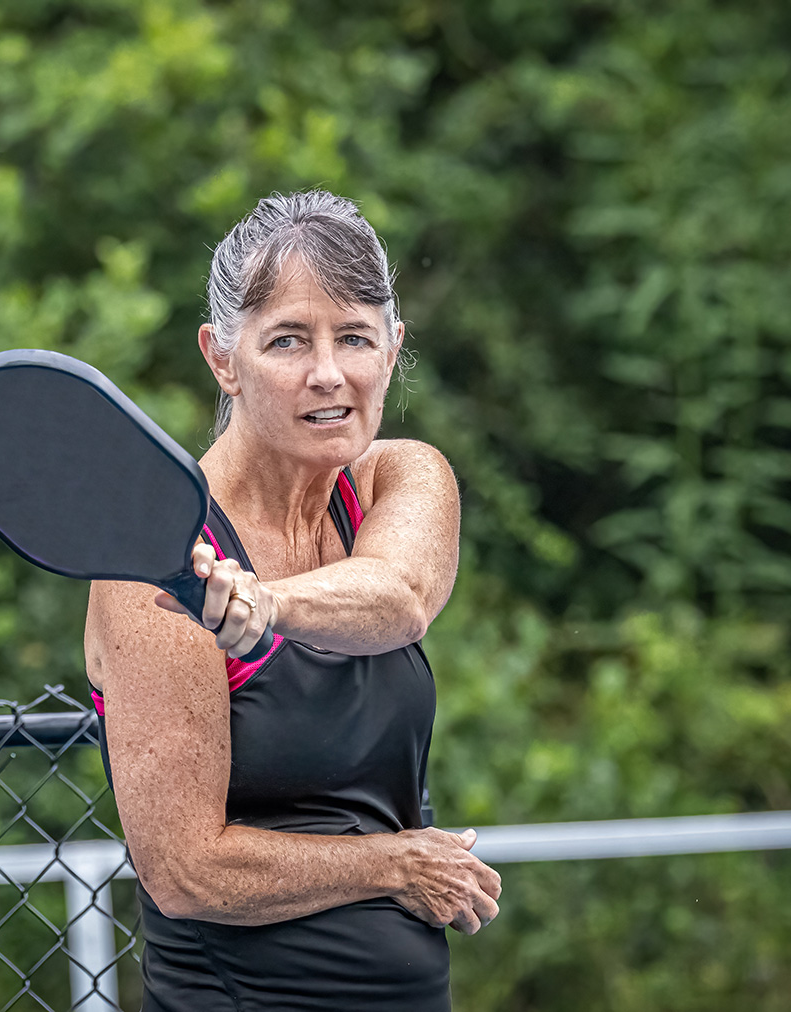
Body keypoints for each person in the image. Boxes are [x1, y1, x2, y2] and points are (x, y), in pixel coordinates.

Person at [85, 190, 501, 1011]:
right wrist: (394, 864)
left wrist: (263, 604)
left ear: (393, 349)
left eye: (355, 337)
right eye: (286, 340)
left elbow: (402, 595)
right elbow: (186, 871)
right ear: (222, 358)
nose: (328, 373)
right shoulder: (153, 563)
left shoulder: (402, 476)